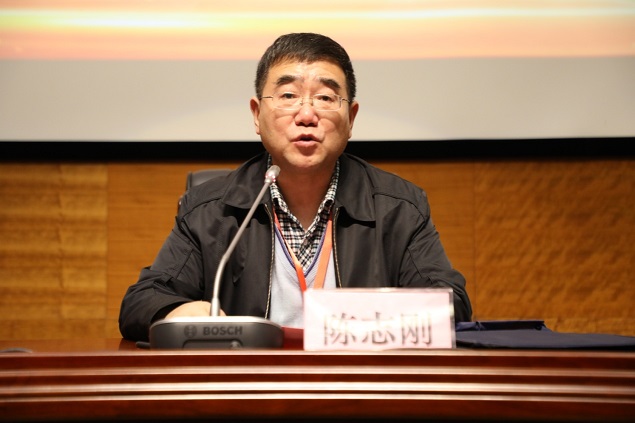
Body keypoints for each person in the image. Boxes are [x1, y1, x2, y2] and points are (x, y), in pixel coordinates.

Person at [119, 32, 472, 342]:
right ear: (257, 115)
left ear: (351, 118)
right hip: (249, 385)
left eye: (325, 98)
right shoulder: (209, 210)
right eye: (288, 95)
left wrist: (367, 321)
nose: (306, 115)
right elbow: (141, 301)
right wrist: (178, 312)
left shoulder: (399, 208)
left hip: (358, 382)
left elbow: (450, 304)